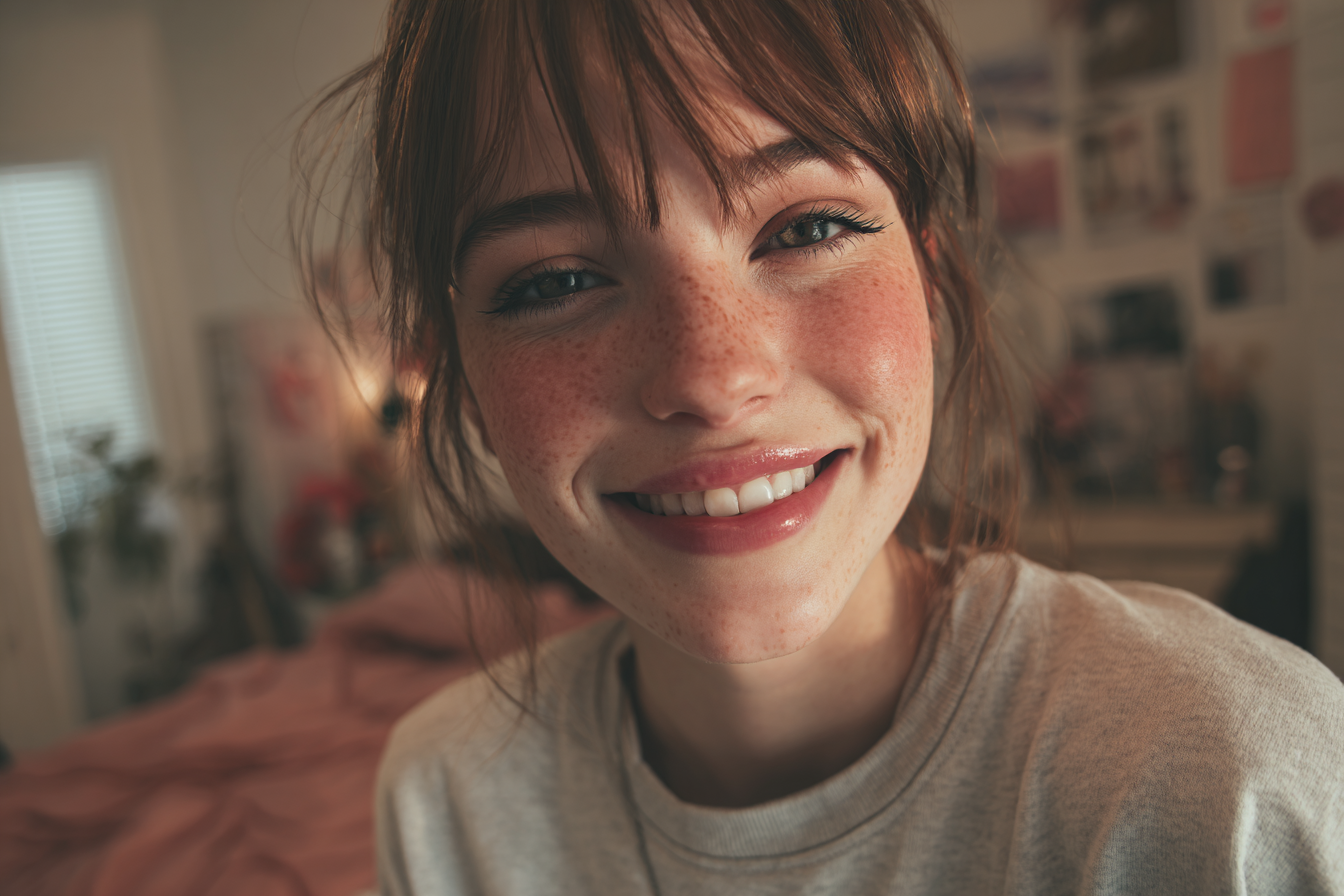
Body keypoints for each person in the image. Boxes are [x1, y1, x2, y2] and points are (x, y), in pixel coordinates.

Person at [297, 0, 1344, 892]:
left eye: (806, 228)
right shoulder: (447, 805)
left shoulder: (1227, 783)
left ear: (930, 279)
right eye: (556, 280)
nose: (712, 378)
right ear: (464, 380)